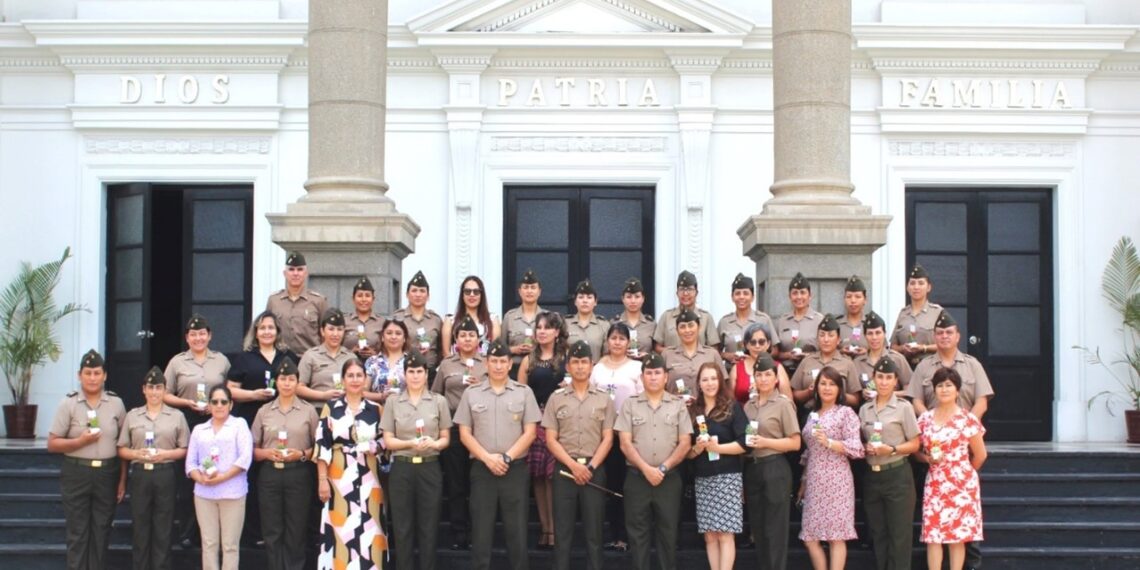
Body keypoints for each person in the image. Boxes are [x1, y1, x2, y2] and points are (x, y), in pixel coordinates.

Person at [454, 340, 541, 570]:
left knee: (517, 533)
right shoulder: (472, 393)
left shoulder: (524, 392)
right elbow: (464, 434)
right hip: (482, 470)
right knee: (481, 533)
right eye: (494, 361)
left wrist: (506, 458)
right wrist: (488, 458)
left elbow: (530, 433)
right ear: (486, 363)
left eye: (503, 361)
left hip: (515, 469)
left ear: (510, 364)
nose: (499, 366)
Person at [47, 349, 127, 570]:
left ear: (105, 376)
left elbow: (123, 445)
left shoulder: (116, 404)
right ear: (79, 375)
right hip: (76, 472)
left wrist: (122, 480)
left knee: (102, 531)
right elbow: (52, 443)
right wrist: (79, 442)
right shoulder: (69, 404)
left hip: (107, 473)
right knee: (78, 532)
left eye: (97, 373)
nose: (92, 378)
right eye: (88, 373)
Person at [615, 352, 693, 570]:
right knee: (637, 536)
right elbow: (624, 443)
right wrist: (647, 469)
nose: (653, 377)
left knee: (668, 534)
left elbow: (685, 443)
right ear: (641, 378)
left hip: (668, 479)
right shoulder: (630, 405)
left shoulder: (677, 405)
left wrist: (662, 468)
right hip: (637, 478)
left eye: (657, 373)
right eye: (648, 373)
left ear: (666, 377)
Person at [543, 341, 616, 570]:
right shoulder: (556, 398)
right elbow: (550, 439)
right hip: (564, 471)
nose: (580, 367)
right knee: (562, 533)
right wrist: (574, 467)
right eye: (575, 362)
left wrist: (590, 468)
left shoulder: (604, 399)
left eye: (584, 362)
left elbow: (608, 438)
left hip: (594, 470)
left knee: (594, 534)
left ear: (592, 365)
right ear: (568, 366)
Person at [226, 310, 295, 546]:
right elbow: (230, 390)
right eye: (262, 327)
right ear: (255, 332)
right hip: (251, 417)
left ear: (277, 332)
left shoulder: (288, 357)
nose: (267, 332)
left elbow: (298, 384)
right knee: (254, 476)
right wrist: (253, 394)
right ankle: (255, 532)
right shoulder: (245, 358)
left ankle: (283, 531)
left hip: (284, 421)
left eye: (271, 328)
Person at [162, 314, 231, 549]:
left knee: (215, 471)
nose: (198, 338)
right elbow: (164, 393)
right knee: (189, 478)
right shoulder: (177, 362)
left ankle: (212, 533)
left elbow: (230, 392)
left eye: (202, 334)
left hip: (216, 422)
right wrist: (186, 403)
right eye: (193, 334)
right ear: (187, 337)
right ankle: (187, 532)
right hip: (187, 420)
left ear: (209, 336)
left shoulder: (221, 361)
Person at [381, 351, 452, 570]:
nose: (415, 376)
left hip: (429, 467)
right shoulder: (393, 401)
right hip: (402, 467)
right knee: (402, 528)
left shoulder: (438, 401)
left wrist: (433, 444)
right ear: (404, 374)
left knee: (429, 528)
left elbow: (445, 438)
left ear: (426, 374)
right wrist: (410, 444)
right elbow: (388, 441)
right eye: (410, 371)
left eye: (419, 371)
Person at [314, 359, 387, 569]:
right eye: (350, 375)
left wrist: (374, 446)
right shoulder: (331, 408)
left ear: (365, 379)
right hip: (338, 475)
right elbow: (321, 445)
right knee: (340, 529)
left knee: (370, 531)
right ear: (343, 380)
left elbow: (385, 441)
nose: (355, 380)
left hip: (369, 476)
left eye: (359, 375)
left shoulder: (375, 409)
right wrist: (322, 480)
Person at [117, 366, 189, 570]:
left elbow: (184, 449)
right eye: (151, 387)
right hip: (140, 474)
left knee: (163, 528)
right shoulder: (133, 416)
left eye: (159, 387)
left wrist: (165, 454)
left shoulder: (176, 416)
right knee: (140, 527)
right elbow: (121, 448)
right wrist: (135, 454)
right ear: (144, 390)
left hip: (165, 474)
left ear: (165, 390)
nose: (155, 392)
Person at [250, 357, 318, 570]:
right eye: (283, 379)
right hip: (270, 474)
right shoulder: (264, 411)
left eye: (291, 379)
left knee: (296, 528)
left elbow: (318, 448)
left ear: (298, 382)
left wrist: (300, 454)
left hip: (298, 473)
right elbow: (252, 450)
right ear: (276, 382)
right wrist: (267, 453)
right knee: (272, 529)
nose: (287, 383)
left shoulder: (308, 411)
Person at [917, 368, 988, 570]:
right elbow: (916, 450)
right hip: (936, 481)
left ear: (957, 390)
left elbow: (981, 454)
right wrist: (927, 458)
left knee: (957, 535)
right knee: (933, 535)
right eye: (940, 385)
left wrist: (963, 473)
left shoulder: (967, 419)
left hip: (962, 484)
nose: (944, 389)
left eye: (949, 385)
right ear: (934, 390)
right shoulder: (925, 419)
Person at [798, 366, 864, 570]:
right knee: (810, 537)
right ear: (816, 387)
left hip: (837, 478)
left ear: (839, 389)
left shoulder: (845, 413)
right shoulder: (812, 415)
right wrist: (803, 481)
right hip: (815, 479)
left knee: (836, 537)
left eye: (832, 384)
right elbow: (809, 451)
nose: (827, 388)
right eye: (823, 383)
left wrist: (829, 442)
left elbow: (857, 448)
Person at [429, 314, 487, 550]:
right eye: (462, 335)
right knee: (456, 483)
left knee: (478, 483)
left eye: (471, 335)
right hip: (453, 427)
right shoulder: (447, 364)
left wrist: (479, 387)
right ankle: (459, 532)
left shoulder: (486, 363)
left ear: (478, 339)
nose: (467, 339)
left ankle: (478, 531)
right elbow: (436, 395)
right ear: (455, 338)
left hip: (480, 428)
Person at [859, 356, 921, 570]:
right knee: (879, 533)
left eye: (888, 378)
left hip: (897, 474)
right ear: (873, 379)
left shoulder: (903, 408)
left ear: (895, 381)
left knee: (899, 535)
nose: (884, 382)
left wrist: (892, 449)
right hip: (872, 476)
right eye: (880, 377)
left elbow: (915, 443)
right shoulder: (865, 409)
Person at [686, 363, 748, 570]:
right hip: (703, 477)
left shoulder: (732, 407)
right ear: (699, 384)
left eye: (713, 378)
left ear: (720, 381)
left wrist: (718, 447)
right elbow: (688, 452)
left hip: (727, 477)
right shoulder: (694, 411)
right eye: (705, 379)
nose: (709, 383)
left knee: (725, 533)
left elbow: (745, 443)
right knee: (710, 535)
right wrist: (698, 448)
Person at [742, 354, 801, 570]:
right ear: (754, 379)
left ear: (776, 378)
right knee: (758, 529)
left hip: (775, 466)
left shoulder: (783, 404)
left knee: (775, 530)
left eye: (768, 375)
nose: (764, 379)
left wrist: (766, 442)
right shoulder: (748, 406)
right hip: (753, 468)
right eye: (759, 375)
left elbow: (795, 443)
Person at [185, 385, 253, 570]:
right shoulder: (199, 429)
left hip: (232, 492)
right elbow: (190, 462)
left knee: (230, 545)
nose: (219, 405)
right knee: (209, 544)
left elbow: (245, 457)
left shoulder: (239, 425)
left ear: (231, 405)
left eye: (224, 401)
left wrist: (222, 477)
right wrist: (200, 478)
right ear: (209, 404)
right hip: (204, 494)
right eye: (214, 401)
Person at [589, 322, 642, 552]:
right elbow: (590, 394)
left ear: (628, 342)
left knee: (627, 485)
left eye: (622, 338)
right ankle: (612, 533)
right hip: (602, 433)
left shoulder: (636, 367)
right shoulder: (598, 368)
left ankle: (628, 535)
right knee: (608, 485)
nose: (617, 342)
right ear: (607, 341)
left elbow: (642, 399)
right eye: (613, 338)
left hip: (628, 432)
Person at [517, 311, 568, 550]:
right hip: (535, 422)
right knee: (537, 477)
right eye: (539, 327)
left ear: (557, 332)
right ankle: (545, 528)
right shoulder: (529, 360)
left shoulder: (566, 358)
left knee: (552, 477)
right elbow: (519, 394)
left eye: (547, 328)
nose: (542, 331)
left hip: (560, 423)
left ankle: (556, 529)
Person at [908, 310, 995, 419]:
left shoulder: (973, 365)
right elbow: (917, 402)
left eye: (949, 332)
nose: (944, 336)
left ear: (957, 337)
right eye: (940, 333)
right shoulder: (923, 367)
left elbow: (981, 403)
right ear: (934, 338)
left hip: (965, 431)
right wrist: (931, 424)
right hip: (933, 431)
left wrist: (965, 426)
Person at [265, 251, 329, 356]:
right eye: (291, 269)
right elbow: (267, 329)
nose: (295, 273)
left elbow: (325, 334)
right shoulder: (274, 301)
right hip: (280, 359)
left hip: (309, 360)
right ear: (284, 273)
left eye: (300, 269)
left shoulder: (319, 301)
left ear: (306, 273)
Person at [791, 313, 861, 408]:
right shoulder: (807, 361)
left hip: (838, 415)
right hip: (810, 413)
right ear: (817, 339)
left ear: (838, 340)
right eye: (822, 335)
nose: (826, 340)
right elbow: (794, 394)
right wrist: (809, 392)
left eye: (831, 335)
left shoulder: (847, 363)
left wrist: (838, 393)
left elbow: (856, 400)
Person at [661, 308, 726, 398]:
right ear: (677, 331)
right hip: (675, 408)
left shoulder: (712, 354)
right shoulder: (667, 355)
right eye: (682, 327)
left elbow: (724, 384)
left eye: (691, 325)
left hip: (705, 408)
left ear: (699, 327)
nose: (687, 330)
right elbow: (660, 385)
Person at [393, 270, 444, 382]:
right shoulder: (397, 317)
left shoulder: (436, 320)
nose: (418, 294)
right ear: (407, 294)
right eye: (414, 290)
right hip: (404, 370)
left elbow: (441, 348)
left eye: (422, 291)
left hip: (430, 372)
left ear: (428, 296)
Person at [717, 273, 776, 366]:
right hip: (731, 371)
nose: (741, 297)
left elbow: (775, 349)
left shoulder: (763, 319)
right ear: (732, 297)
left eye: (746, 293)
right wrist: (727, 355)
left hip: (759, 372)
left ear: (752, 297)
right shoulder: (724, 322)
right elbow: (715, 351)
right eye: (737, 293)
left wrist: (759, 358)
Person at [297, 309, 353, 404]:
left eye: (339, 329)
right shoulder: (311, 355)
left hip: (345, 411)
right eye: (331, 329)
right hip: (318, 408)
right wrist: (323, 395)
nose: (335, 334)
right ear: (322, 331)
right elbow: (298, 388)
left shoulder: (351, 357)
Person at [891, 264, 943, 368]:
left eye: (921, 283)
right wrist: (902, 348)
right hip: (905, 367)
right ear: (907, 288)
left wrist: (923, 348)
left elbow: (946, 344)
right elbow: (892, 346)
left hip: (930, 367)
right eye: (912, 283)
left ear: (928, 287)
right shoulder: (903, 314)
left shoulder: (937, 312)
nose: (916, 287)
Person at [728, 321, 793, 403]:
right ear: (747, 345)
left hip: (771, 414)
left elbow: (788, 401)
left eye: (761, 342)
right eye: (753, 342)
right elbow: (729, 402)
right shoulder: (737, 369)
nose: (757, 346)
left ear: (768, 344)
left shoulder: (777, 367)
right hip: (742, 414)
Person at [773, 272, 824, 376]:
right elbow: (775, 353)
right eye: (795, 293)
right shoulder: (782, 321)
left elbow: (827, 348)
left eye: (802, 292)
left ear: (810, 296)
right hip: (786, 372)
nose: (799, 297)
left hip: (811, 372)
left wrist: (809, 355)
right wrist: (788, 355)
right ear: (790, 296)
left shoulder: (819, 320)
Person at [654, 270, 719, 351]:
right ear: (677, 293)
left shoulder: (706, 318)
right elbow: (657, 347)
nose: (685, 293)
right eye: (681, 289)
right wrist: (675, 353)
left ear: (696, 293)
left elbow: (714, 348)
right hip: (673, 362)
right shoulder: (666, 317)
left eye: (690, 289)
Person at [853, 311, 913, 397]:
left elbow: (910, 389)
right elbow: (855, 393)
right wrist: (863, 393)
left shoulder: (897, 359)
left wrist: (889, 395)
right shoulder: (857, 363)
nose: (874, 337)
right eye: (870, 333)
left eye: (878, 333)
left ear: (884, 334)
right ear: (865, 335)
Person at [441, 275, 500, 357]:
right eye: (467, 291)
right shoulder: (450, 320)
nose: (472, 295)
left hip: (484, 368)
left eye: (476, 292)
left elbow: (495, 352)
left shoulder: (492, 319)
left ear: (481, 295)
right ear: (462, 295)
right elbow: (446, 353)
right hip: (456, 368)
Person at [501, 268, 544, 378]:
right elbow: (501, 347)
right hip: (513, 369)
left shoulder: (546, 317)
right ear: (519, 291)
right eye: (525, 287)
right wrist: (514, 349)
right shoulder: (509, 317)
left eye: (533, 287)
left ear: (539, 292)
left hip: (540, 368)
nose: (529, 291)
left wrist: (536, 348)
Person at [363, 319, 410, 403]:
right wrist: (381, 396)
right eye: (389, 333)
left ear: (404, 338)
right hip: (377, 412)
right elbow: (362, 392)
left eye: (398, 333)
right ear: (382, 337)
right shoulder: (372, 362)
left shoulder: (411, 362)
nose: (393, 337)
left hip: (405, 411)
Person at [612, 277, 656, 359]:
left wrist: (648, 356)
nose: (633, 301)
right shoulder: (614, 324)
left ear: (643, 298)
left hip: (645, 368)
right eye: (629, 297)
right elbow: (607, 352)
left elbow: (657, 351)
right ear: (623, 299)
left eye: (637, 297)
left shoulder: (651, 325)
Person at [567, 279, 609, 361]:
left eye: (589, 297)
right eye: (581, 297)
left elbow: (607, 354)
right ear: (575, 301)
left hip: (596, 372)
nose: (585, 301)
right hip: (570, 372)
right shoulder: (566, 324)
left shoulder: (604, 325)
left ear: (595, 302)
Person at [346, 276, 384, 361]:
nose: (363, 299)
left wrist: (375, 354)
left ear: (373, 299)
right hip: (349, 368)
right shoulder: (345, 322)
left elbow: (388, 350)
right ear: (353, 299)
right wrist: (351, 353)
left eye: (367, 296)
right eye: (359, 296)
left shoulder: (382, 323)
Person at [838, 275, 869, 358]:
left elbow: (883, 350)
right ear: (844, 299)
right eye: (849, 297)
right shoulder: (836, 325)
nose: (853, 301)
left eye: (858, 297)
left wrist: (868, 352)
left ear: (865, 300)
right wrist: (840, 352)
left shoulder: (872, 325)